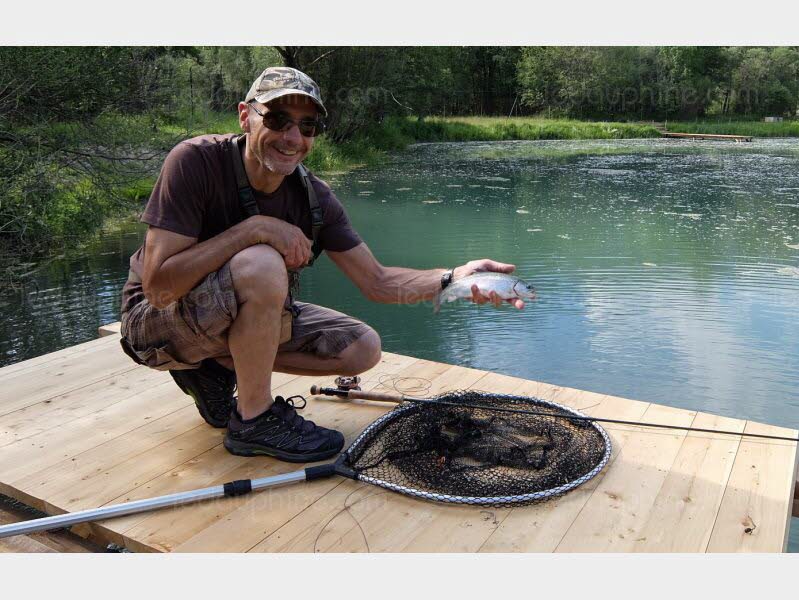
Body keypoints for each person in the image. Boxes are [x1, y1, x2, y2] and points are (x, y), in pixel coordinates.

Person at [119, 67, 527, 463]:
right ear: (245, 116)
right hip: (152, 323)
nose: (292, 137)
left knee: (362, 348)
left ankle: (214, 367)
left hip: (222, 323)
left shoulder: (314, 197)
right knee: (261, 261)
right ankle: (254, 420)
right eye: (277, 119)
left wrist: (453, 278)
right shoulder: (195, 161)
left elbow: (378, 282)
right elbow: (158, 289)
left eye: (307, 126)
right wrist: (255, 229)